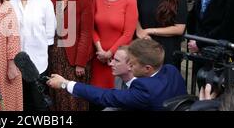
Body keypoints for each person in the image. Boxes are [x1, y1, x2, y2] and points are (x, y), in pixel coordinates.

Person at [47, 38, 188, 111]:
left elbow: (106, 97)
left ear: (147, 68)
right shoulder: (171, 70)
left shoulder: (145, 90)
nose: (130, 67)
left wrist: (64, 83)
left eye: (132, 64)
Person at [47, 0, 93, 111]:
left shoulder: (84, 0)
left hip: (74, 57)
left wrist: (80, 62)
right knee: (56, 96)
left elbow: (86, 33)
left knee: (73, 98)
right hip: (54, 53)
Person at [10, 0, 56, 111]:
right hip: (14, 62)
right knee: (19, 103)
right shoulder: (9, 1)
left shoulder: (45, 3)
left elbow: (50, 33)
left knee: (38, 103)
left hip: (38, 62)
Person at [90, 0, 138, 94]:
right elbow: (92, 27)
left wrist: (109, 53)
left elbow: (128, 34)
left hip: (118, 60)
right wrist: (100, 51)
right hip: (98, 57)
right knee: (96, 97)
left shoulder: (130, 0)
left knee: (115, 98)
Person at [136, 0, 187, 71]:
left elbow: (179, 28)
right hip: (145, 47)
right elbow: (135, 16)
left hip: (167, 50)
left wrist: (149, 30)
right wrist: (140, 32)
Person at [102, 46, 135, 111]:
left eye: (117, 61)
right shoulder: (118, 78)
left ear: (130, 66)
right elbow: (115, 105)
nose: (111, 63)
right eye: (113, 59)